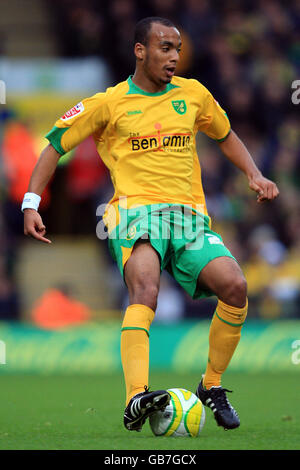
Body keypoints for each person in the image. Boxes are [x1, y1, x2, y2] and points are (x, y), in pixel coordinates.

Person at [22, 17, 279, 432]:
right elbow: (54, 144)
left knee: (235, 286)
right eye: (164, 48)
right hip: (134, 214)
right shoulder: (108, 103)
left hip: (188, 216)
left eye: (177, 48)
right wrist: (31, 203)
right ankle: (135, 398)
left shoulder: (194, 95)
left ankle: (210, 386)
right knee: (145, 287)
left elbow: (226, 134)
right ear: (140, 51)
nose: (174, 56)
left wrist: (254, 174)